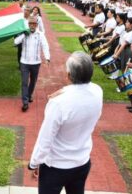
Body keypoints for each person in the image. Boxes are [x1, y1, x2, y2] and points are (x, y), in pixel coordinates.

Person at [28, 51, 103, 194]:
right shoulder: (98, 91)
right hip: (82, 162)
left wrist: (34, 163)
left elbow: (45, 139)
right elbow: (82, 91)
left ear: (69, 75)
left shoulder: (58, 103)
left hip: (56, 167)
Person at [14, 16, 50, 112]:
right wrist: (24, 34)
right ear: (28, 24)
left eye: (34, 24)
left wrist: (47, 58)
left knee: (33, 81)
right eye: (30, 24)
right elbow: (15, 42)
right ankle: (25, 102)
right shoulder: (24, 33)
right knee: (24, 82)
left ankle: (29, 95)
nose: (32, 25)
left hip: (36, 62)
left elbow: (45, 46)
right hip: (24, 62)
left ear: (37, 25)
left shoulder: (40, 34)